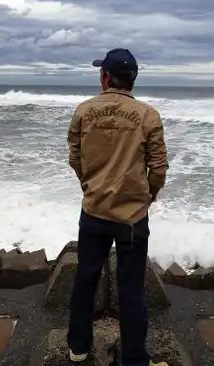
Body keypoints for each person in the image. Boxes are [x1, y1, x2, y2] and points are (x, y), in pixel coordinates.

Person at [66, 48, 169, 366]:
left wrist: (90, 186)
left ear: (105, 77)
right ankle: (135, 360)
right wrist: (147, 196)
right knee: (132, 288)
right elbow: (159, 168)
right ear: (132, 81)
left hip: (94, 212)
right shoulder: (148, 115)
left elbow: (74, 157)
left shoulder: (84, 111)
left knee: (86, 279)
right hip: (133, 218)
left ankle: (79, 350)